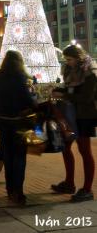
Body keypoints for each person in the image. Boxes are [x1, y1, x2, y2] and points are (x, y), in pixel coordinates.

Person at [51, 45, 97, 202]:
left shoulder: (89, 73)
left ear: (78, 58)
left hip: (84, 116)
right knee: (65, 147)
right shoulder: (69, 71)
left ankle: (87, 189)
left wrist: (64, 96)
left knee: (85, 151)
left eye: (69, 59)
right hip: (69, 115)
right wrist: (58, 91)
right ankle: (69, 183)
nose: (67, 62)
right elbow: (69, 90)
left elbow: (86, 98)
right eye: (66, 60)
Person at [0, 50, 37, 205]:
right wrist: (35, 101)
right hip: (18, 122)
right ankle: (18, 191)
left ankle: (10, 190)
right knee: (19, 157)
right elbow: (28, 100)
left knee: (8, 156)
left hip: (3, 121)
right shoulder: (20, 77)